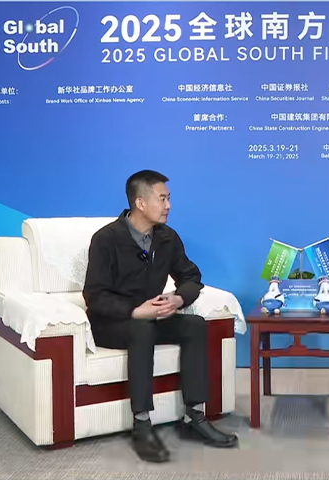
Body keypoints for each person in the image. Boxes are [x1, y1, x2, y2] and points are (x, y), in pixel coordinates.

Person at [82, 169, 238, 463]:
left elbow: (191, 277)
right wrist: (135, 310)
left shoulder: (167, 237)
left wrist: (178, 298)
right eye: (162, 199)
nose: (169, 206)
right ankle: (142, 425)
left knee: (194, 325)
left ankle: (194, 417)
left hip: (151, 319)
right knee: (142, 328)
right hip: (111, 325)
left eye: (169, 199)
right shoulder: (106, 239)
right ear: (140, 203)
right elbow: (95, 295)